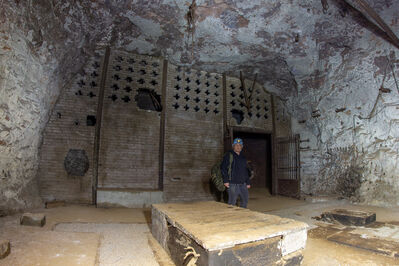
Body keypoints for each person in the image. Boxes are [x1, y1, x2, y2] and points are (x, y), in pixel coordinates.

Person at [220, 138, 251, 208]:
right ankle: (231, 217)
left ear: (242, 147)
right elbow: (223, 168)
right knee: (232, 202)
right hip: (232, 184)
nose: (238, 147)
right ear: (233, 146)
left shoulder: (243, 157)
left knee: (245, 200)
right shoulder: (228, 155)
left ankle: (242, 216)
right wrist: (225, 181)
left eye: (240, 145)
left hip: (243, 183)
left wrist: (248, 182)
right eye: (236, 145)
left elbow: (245, 170)